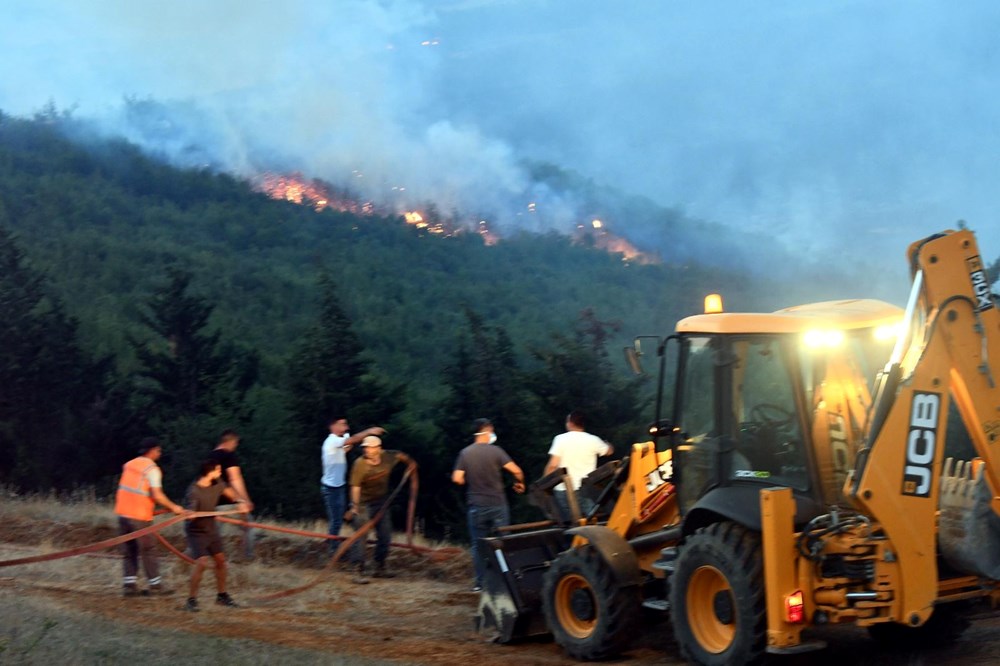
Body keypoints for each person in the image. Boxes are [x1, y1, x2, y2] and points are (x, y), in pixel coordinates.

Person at [451, 418, 525, 592]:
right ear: (487, 431)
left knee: (478, 545)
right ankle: (505, 582)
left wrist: (466, 481)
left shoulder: (465, 453)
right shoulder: (496, 451)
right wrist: (519, 483)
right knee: (503, 542)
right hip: (498, 503)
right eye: (491, 431)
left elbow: (457, 478)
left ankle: (480, 583)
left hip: (477, 505)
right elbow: (517, 470)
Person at [113, 437, 186, 597]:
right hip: (139, 515)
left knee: (130, 549)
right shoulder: (152, 469)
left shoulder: (130, 464)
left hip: (123, 514)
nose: (160, 453)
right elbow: (157, 495)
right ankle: (155, 585)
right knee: (148, 549)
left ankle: (129, 585)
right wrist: (174, 507)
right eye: (159, 450)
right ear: (152, 450)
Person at [183, 460, 251, 612]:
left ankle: (222, 596)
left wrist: (240, 501)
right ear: (210, 472)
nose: (220, 473)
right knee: (202, 562)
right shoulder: (193, 491)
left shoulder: (217, 482)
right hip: (197, 531)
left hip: (211, 528)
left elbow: (229, 492)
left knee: (220, 560)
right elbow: (191, 514)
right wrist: (190, 515)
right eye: (218, 470)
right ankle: (191, 600)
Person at [345, 435, 414, 582]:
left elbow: (400, 455)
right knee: (361, 535)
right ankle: (357, 570)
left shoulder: (388, 457)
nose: (367, 450)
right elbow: (355, 487)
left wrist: (410, 463)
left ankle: (379, 567)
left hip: (381, 502)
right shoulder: (360, 464)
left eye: (370, 447)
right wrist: (355, 506)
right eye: (365, 448)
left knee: (385, 535)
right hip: (363, 504)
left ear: (379, 449)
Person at [321, 417, 385, 553]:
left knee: (339, 518)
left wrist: (346, 448)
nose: (346, 427)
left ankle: (332, 543)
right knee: (336, 520)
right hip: (332, 489)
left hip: (338, 486)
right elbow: (352, 439)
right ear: (333, 426)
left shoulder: (334, 443)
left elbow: (343, 448)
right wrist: (370, 431)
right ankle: (333, 549)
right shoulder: (332, 440)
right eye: (343, 424)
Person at [543, 411, 614, 519]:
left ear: (570, 423)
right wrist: (608, 444)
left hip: (564, 490)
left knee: (570, 523)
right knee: (591, 520)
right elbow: (609, 451)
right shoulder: (593, 440)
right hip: (586, 489)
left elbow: (553, 465)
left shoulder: (560, 439)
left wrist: (545, 484)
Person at [208, 429, 255, 559]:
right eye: (236, 443)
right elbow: (235, 479)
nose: (235, 446)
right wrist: (245, 500)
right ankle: (247, 558)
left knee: (207, 536)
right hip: (227, 503)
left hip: (209, 504)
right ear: (232, 441)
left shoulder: (209, 457)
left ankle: (191, 560)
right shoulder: (228, 456)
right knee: (248, 526)